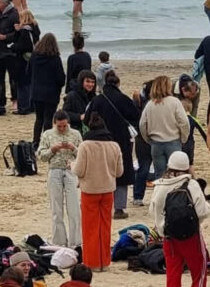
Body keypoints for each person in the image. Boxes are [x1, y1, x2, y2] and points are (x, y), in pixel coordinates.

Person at [147, 151, 210, 287]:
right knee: (199, 271)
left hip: (169, 237)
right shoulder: (192, 184)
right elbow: (202, 212)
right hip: (191, 236)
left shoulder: (160, 185)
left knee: (173, 273)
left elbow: (152, 211)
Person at [72, 114, 123, 272]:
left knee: (90, 228)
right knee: (105, 227)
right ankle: (104, 262)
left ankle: (92, 262)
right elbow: (119, 172)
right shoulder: (114, 145)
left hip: (90, 190)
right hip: (108, 190)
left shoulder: (85, 146)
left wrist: (71, 165)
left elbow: (79, 170)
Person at [84, 71, 137, 219]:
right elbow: (135, 116)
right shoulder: (123, 99)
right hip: (121, 140)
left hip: (100, 140)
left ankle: (102, 204)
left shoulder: (97, 100)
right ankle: (119, 208)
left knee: (102, 172)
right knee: (121, 172)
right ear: (118, 83)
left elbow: (87, 119)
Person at [37, 111, 82, 248]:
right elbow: (41, 156)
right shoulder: (47, 134)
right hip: (54, 171)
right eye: (59, 126)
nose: (62, 128)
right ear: (54, 124)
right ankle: (59, 241)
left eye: (64, 126)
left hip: (71, 171)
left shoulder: (76, 134)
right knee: (56, 209)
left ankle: (75, 242)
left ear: (68, 123)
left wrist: (73, 148)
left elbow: (83, 155)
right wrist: (52, 149)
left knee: (74, 208)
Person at [139, 76, 190, 178]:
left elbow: (142, 124)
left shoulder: (150, 104)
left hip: (156, 143)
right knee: (176, 173)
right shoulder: (175, 102)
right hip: (173, 141)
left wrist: (148, 139)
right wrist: (184, 138)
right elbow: (184, 122)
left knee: (159, 175)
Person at [28, 33, 65, 148]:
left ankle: (35, 142)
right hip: (51, 93)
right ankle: (46, 142)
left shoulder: (34, 56)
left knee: (39, 118)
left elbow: (28, 72)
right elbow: (60, 78)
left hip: (37, 92)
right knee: (48, 119)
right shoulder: (55, 59)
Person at [12, 10, 41, 114]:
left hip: (23, 59)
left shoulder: (25, 30)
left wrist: (13, 47)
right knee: (30, 83)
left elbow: (24, 45)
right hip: (33, 57)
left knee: (22, 84)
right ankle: (31, 106)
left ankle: (23, 107)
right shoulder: (35, 28)